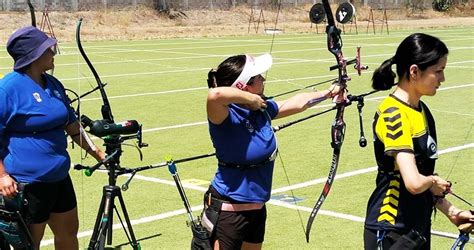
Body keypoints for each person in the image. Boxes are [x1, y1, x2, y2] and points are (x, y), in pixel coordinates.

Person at [201, 53, 342, 249]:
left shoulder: (262, 109)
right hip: (228, 212)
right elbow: (214, 95)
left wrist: (328, 93)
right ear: (244, 86)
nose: (263, 80)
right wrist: (252, 99)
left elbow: (297, 103)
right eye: (258, 77)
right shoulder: (225, 115)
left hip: (257, 210)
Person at [363, 33, 474, 249]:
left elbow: (422, 177)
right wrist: (433, 181)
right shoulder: (393, 114)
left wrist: (452, 212)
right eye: (438, 71)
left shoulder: (422, 111)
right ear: (414, 71)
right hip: (391, 230)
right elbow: (414, 183)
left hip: (417, 227)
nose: (443, 79)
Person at [0, 26, 106, 249]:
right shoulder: (8, 88)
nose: (54, 53)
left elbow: (71, 124)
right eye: (49, 49)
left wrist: (95, 151)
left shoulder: (53, 84)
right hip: (28, 183)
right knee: (30, 243)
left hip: (59, 177)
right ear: (34, 55)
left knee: (69, 233)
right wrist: (2, 176)